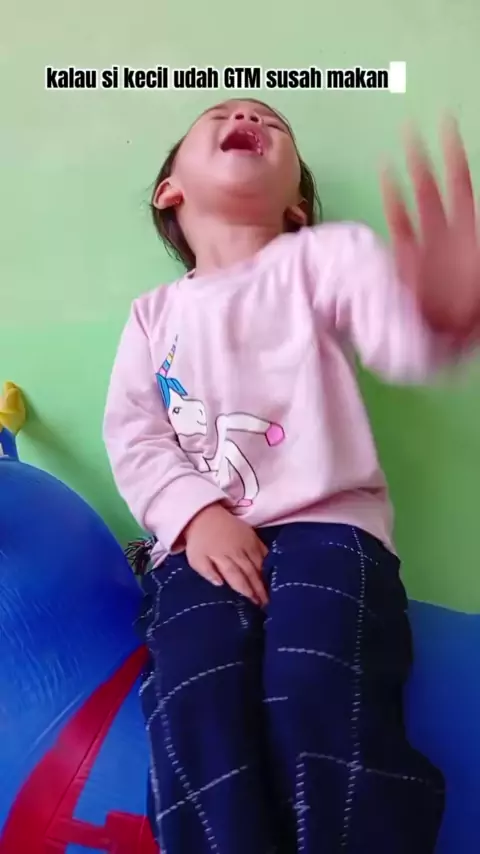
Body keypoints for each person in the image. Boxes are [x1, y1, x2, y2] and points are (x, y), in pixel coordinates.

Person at [103, 98, 480, 854]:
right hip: (198, 547)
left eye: (274, 123)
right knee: (195, 693)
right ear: (171, 190)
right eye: (221, 113)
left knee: (316, 681)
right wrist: (195, 515)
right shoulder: (153, 314)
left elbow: (397, 342)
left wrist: (439, 315)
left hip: (329, 528)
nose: (249, 112)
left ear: (297, 208)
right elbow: (135, 433)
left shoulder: (326, 257)